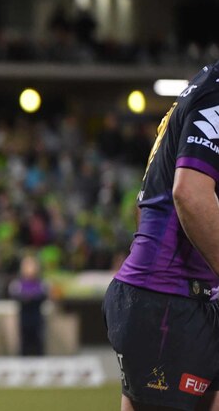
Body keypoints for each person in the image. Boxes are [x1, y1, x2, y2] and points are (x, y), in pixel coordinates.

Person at [103, 61, 219, 411]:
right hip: (169, 299)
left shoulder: (201, 87)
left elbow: (147, 204)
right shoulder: (215, 94)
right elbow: (189, 194)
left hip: (174, 296)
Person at [8, 254, 47, 356]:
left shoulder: (41, 283)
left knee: (38, 342)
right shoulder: (18, 284)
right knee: (24, 343)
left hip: (36, 317)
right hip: (24, 318)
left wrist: (31, 297)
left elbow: (42, 295)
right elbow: (15, 295)